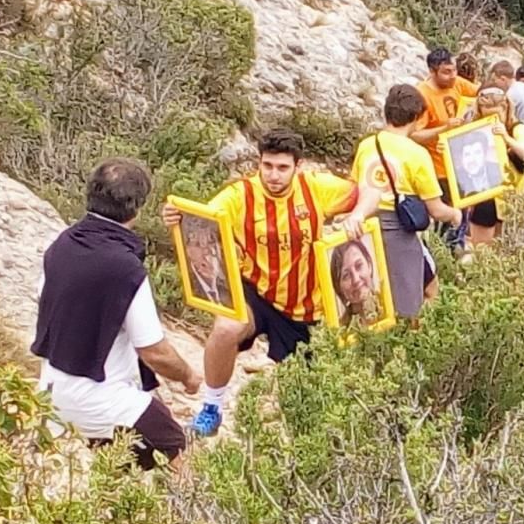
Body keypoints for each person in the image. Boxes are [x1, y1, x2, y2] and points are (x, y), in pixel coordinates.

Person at [162, 129, 380, 436]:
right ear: (259, 163)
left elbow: (371, 190)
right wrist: (176, 216)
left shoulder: (316, 188)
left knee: (315, 403)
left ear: (298, 166)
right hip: (258, 292)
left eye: (282, 168)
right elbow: (201, 221)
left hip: (309, 305)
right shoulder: (241, 195)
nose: (274, 175)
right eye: (267, 166)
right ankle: (211, 408)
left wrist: (357, 214)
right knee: (226, 328)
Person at [32, 158, 200, 470]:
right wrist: (189, 377)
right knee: (180, 453)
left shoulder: (62, 244)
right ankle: (199, 518)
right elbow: (154, 351)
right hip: (100, 399)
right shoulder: (124, 268)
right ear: (137, 209)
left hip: (52, 393)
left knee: (117, 466)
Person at [351, 84, 461, 318]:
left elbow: (355, 188)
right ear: (415, 117)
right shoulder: (416, 153)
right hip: (400, 232)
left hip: (367, 231)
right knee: (414, 300)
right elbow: (436, 209)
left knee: (376, 300)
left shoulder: (367, 146)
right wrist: (455, 214)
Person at [411, 48, 479, 252]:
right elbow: (415, 135)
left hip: (462, 164)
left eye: (454, 70)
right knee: (445, 221)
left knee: (463, 216)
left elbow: (480, 92)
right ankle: (441, 258)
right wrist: (444, 129)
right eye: (446, 72)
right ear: (432, 71)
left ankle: (454, 254)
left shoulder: (457, 83)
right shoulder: (422, 94)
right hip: (438, 169)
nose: (453, 76)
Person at [467, 86, 524, 245]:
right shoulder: (474, 129)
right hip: (485, 198)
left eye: (497, 116)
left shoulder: (517, 129)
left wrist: (507, 138)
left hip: (514, 199)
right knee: (482, 250)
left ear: (506, 109)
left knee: (508, 251)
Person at [488, 60, 524, 151]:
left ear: (503, 79)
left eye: (494, 80)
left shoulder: (510, 95)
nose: (494, 83)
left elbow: (506, 120)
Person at [330, 239, 379, 326]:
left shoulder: (391, 308)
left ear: (369, 265)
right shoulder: (339, 333)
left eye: (359, 266)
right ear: (339, 288)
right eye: (346, 275)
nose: (356, 280)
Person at [183, 217, 229, 305]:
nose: (206, 251)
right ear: (187, 249)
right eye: (197, 244)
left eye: (211, 242)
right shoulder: (187, 285)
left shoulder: (228, 285)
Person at [452, 128, 503, 198]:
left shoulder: (498, 169)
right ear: (461, 158)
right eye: (467, 154)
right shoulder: (455, 178)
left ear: (485, 154)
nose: (472, 159)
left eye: (477, 153)